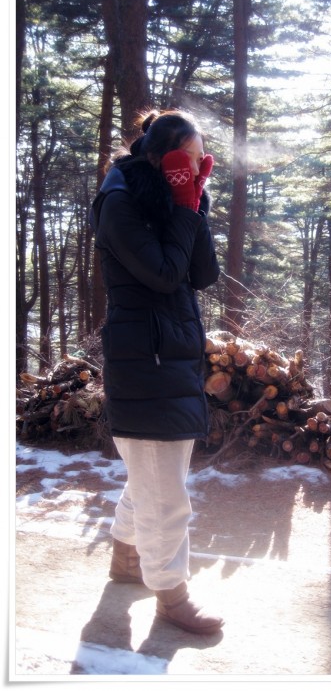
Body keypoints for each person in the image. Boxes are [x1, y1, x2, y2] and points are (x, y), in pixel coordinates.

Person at [90, 109, 223, 635]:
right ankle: (171, 596)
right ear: (163, 158)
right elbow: (166, 275)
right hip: (143, 359)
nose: (196, 166)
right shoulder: (120, 201)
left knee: (152, 475)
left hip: (171, 354)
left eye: (200, 160)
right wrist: (184, 207)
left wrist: (194, 203)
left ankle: (128, 561)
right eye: (189, 159)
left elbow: (203, 273)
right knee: (165, 492)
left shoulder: (173, 198)